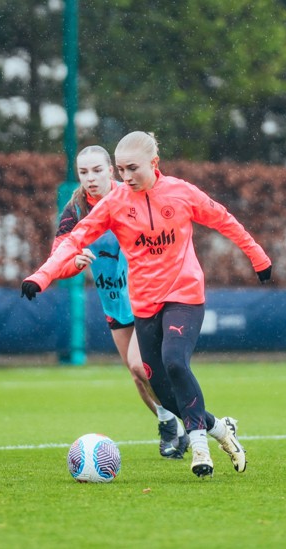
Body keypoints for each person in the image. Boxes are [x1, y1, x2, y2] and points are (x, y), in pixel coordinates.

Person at [22, 131, 272, 478]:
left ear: (154, 164)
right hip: (138, 304)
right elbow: (73, 241)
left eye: (129, 169)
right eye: (121, 170)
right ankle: (218, 429)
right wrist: (42, 276)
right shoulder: (102, 204)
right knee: (154, 382)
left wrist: (258, 258)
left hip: (183, 295)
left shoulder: (181, 192)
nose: (124, 178)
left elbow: (223, 219)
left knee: (174, 360)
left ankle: (199, 447)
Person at [53, 145, 190, 459]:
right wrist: (73, 262)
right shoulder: (75, 209)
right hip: (113, 301)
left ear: (110, 171)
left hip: (146, 298)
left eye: (97, 170)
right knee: (138, 375)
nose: (90, 178)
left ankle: (190, 423)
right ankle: (171, 423)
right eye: (83, 172)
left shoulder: (130, 197)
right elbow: (58, 256)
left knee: (139, 365)